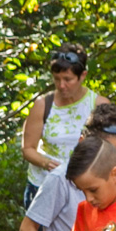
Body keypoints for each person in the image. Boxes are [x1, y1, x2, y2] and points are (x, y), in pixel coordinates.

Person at [19, 103, 116, 231]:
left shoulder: (112, 176)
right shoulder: (60, 178)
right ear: (82, 142)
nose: (111, 160)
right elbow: (27, 229)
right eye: (105, 151)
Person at [20, 43, 109, 212]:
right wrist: (47, 163)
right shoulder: (43, 105)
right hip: (43, 186)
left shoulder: (98, 105)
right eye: (57, 79)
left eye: (68, 79)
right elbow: (27, 149)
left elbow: (109, 149)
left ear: (82, 76)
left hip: (83, 188)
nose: (61, 85)